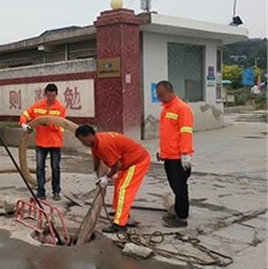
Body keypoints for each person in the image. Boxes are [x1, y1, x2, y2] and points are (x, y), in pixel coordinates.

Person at [75, 125, 151, 233]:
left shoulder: (103, 145)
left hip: (137, 161)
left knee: (124, 189)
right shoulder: (96, 142)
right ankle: (119, 212)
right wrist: (95, 172)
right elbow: (96, 157)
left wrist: (106, 178)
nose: (82, 143)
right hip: (128, 161)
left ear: (90, 136)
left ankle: (120, 224)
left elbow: (117, 165)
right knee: (119, 185)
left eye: (83, 140)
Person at [155, 80, 194, 228]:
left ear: (171, 92)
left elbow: (186, 133)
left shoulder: (182, 109)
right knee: (175, 187)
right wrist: (161, 148)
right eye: (158, 95)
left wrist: (185, 154)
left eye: (162, 95)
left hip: (179, 158)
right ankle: (179, 211)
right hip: (169, 156)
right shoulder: (166, 108)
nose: (160, 98)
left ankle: (182, 218)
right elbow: (167, 133)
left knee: (180, 188)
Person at [19, 83, 66, 201]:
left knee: (55, 168)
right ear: (45, 94)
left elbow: (62, 126)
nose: (51, 98)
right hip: (41, 142)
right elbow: (25, 114)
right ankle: (41, 191)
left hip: (55, 143)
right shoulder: (38, 106)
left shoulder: (60, 108)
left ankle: (56, 191)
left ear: (56, 95)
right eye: (49, 96)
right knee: (40, 168)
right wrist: (23, 124)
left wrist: (49, 123)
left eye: (53, 96)